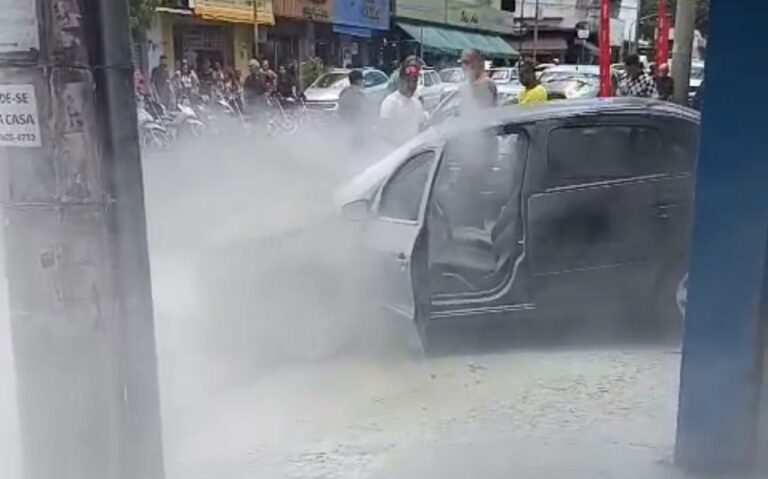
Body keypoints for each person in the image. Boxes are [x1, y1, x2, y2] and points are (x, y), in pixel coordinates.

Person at [379, 57, 427, 146]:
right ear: (401, 80)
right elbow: (384, 133)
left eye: (415, 81)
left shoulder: (417, 104)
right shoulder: (390, 102)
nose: (412, 85)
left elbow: (421, 129)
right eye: (408, 81)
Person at [459, 48, 498, 114]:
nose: (463, 66)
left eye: (466, 62)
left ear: (478, 63)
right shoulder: (468, 84)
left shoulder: (486, 84)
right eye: (462, 63)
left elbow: (483, 113)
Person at [338, 69, 367, 148]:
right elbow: (364, 112)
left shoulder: (343, 92)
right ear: (358, 81)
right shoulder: (360, 94)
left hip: (344, 127)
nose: (363, 82)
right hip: (356, 128)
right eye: (362, 79)